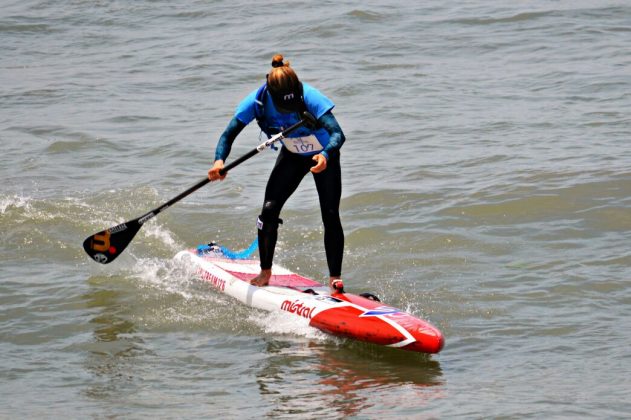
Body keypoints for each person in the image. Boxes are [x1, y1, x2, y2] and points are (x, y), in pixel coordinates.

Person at [208, 54, 346, 292]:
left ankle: (335, 277)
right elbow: (228, 134)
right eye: (284, 104)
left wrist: (325, 155)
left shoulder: (310, 96)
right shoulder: (256, 101)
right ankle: (265, 271)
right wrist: (219, 162)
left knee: (330, 213)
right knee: (268, 210)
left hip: (323, 156)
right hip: (292, 155)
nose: (289, 107)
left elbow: (337, 134)